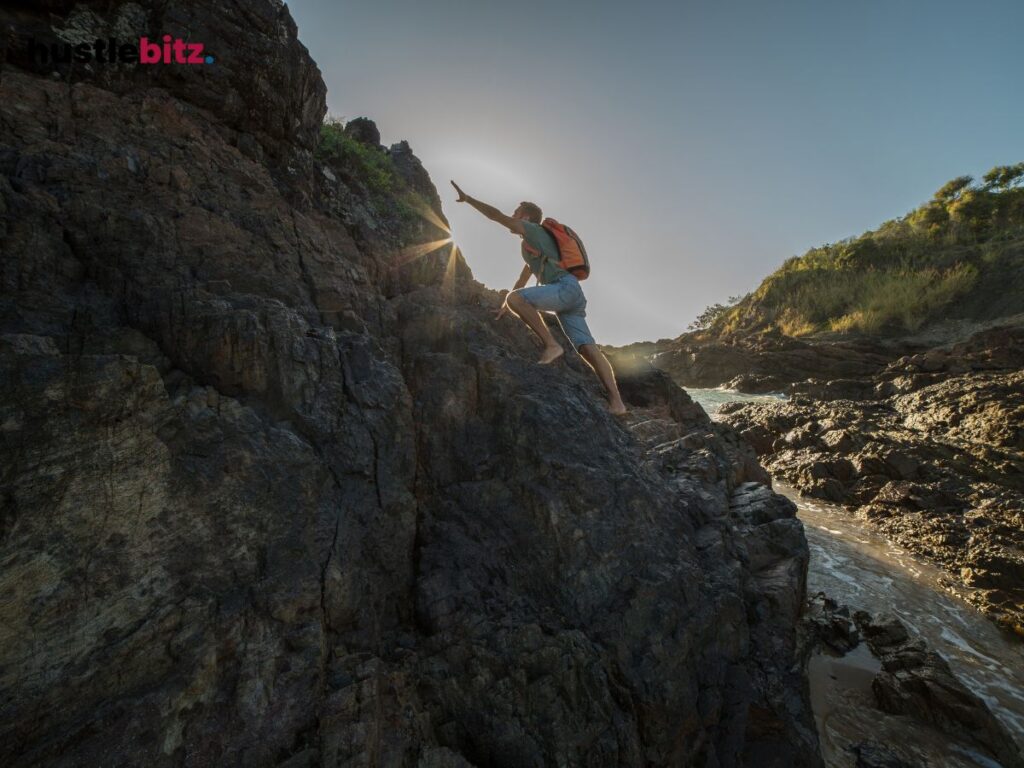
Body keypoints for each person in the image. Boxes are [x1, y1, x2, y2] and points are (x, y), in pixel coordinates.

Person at [450, 180, 627, 416]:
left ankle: (552, 345)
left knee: (517, 299)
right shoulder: (531, 245)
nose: (513, 216)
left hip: (563, 289)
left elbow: (495, 216)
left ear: (527, 217)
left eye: (516, 213)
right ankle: (618, 404)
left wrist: (469, 199)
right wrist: (507, 305)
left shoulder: (532, 230)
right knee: (588, 348)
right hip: (571, 295)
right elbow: (523, 279)